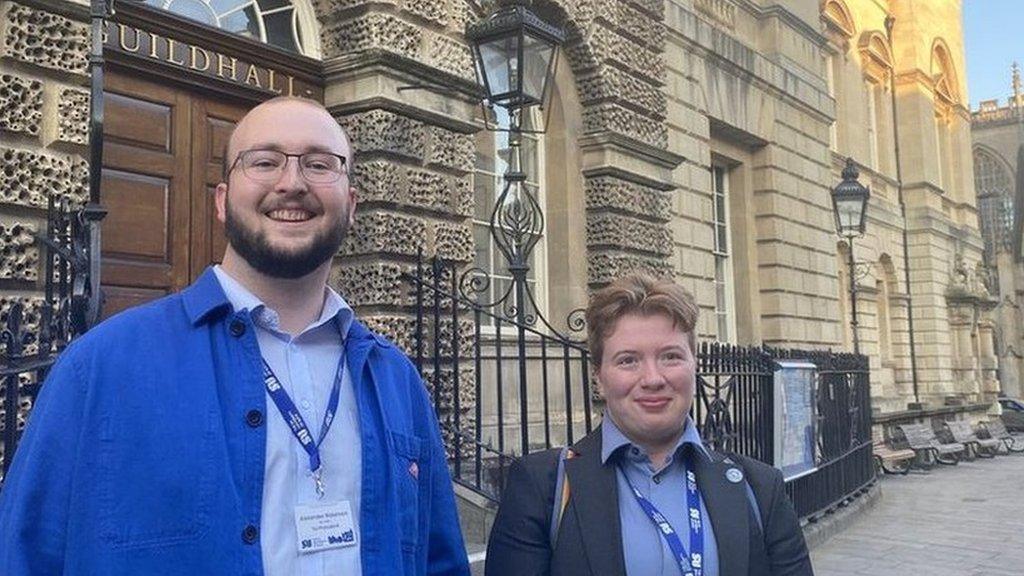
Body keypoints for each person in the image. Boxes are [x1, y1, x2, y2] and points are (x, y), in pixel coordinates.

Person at [0, 96, 470, 576]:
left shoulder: (395, 379)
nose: (292, 183)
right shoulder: (99, 367)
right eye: (264, 162)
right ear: (222, 201)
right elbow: (24, 555)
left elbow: (439, 562)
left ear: (350, 207)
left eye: (319, 164)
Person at [485, 274, 813, 576]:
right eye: (628, 360)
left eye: (671, 356)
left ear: (693, 365)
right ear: (598, 377)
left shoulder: (760, 488)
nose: (653, 379)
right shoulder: (542, 487)